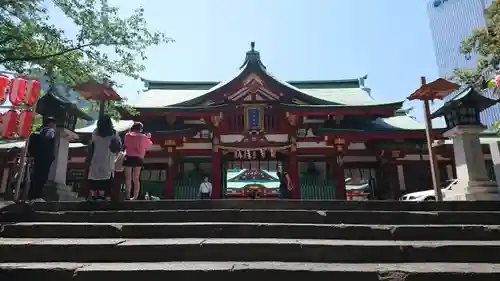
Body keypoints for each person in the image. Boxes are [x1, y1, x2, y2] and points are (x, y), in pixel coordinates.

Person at [86, 115, 122, 201]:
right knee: (106, 178)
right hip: (108, 158)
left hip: (96, 158)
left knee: (94, 177)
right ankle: (104, 196)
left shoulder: (95, 132)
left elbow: (92, 145)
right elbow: (118, 146)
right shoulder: (113, 133)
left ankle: (93, 195)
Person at [27, 116, 57, 202]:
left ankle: (32, 196)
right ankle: (37, 196)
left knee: (35, 177)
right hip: (45, 158)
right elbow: (48, 144)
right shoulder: (50, 131)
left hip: (38, 158)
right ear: (51, 123)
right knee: (42, 177)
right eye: (54, 124)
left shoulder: (39, 131)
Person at [123, 122, 152, 200]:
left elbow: (125, 144)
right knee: (136, 178)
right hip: (138, 158)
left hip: (128, 157)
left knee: (128, 178)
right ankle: (135, 197)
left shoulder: (127, 135)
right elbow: (148, 145)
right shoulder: (143, 137)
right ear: (140, 128)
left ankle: (127, 196)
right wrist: (148, 137)